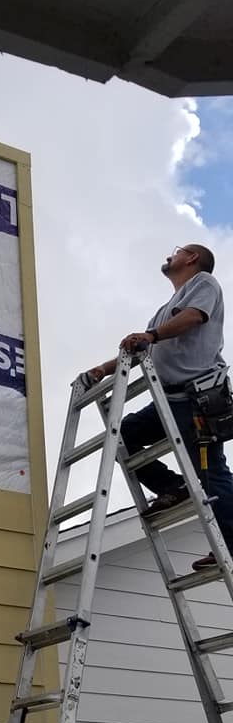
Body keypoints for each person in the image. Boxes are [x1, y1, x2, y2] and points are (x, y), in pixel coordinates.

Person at [86, 243, 233, 571]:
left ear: (192, 258)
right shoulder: (165, 310)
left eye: (178, 251)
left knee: (210, 474)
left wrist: (151, 335)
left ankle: (231, 546)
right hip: (171, 401)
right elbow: (145, 350)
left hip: (197, 398)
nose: (171, 255)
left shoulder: (204, 284)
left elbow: (194, 318)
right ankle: (172, 486)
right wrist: (103, 369)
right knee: (122, 434)